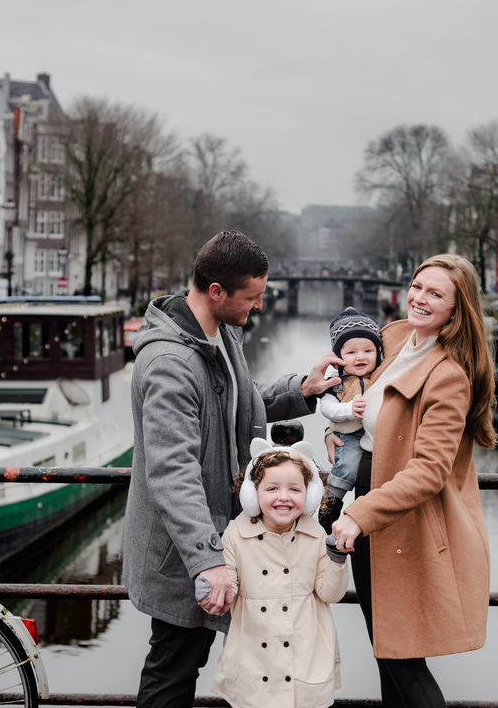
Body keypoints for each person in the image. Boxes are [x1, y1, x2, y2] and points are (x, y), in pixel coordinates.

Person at [122, 230, 342, 708]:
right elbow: (171, 471)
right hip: (182, 550)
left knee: (203, 664)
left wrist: (301, 391)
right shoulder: (169, 364)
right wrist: (207, 560)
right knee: (173, 668)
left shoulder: (219, 333)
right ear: (216, 292)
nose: (259, 306)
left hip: (215, 537)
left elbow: (238, 402)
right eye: (252, 296)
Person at [328, 253, 497, 708]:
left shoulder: (449, 376)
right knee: (388, 653)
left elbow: (429, 470)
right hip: (372, 521)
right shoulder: (394, 338)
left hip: (403, 528)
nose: (419, 298)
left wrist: (359, 516)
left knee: (404, 663)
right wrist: (334, 431)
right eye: (418, 286)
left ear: (457, 309)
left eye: (435, 294)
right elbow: (354, 393)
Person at [210, 439, 350, 708]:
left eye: (295, 489)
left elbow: (330, 593)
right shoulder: (236, 535)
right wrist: (212, 589)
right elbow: (228, 590)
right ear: (252, 494)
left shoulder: (317, 534)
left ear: (309, 495)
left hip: (305, 657)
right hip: (253, 661)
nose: (283, 497)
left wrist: (337, 557)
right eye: (272, 488)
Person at [317, 306, 382, 544]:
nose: (361, 357)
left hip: (377, 437)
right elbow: (326, 408)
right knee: (348, 465)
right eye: (352, 352)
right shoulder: (336, 382)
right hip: (352, 434)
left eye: (368, 350)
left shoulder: (381, 376)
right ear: (338, 357)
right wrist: (347, 410)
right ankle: (331, 504)